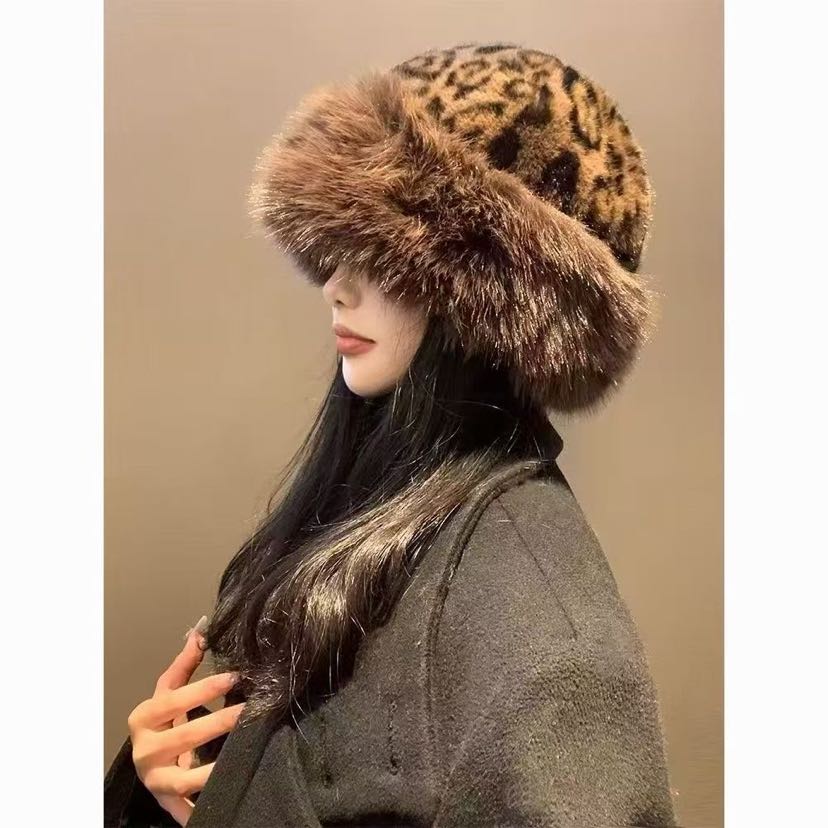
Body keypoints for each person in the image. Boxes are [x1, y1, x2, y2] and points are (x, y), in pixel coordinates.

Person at [105, 41, 677, 827]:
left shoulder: (550, 644)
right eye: (340, 247)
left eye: (387, 257)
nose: (337, 287)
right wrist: (168, 777)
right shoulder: (374, 507)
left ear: (488, 298)